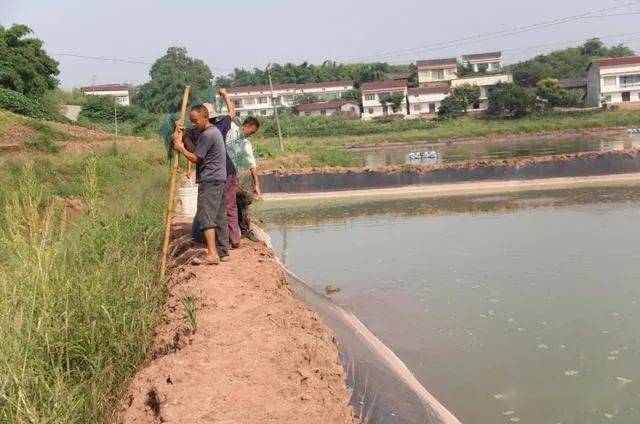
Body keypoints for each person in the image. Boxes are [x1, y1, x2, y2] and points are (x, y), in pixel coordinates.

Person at [173, 104, 229, 265]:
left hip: (210, 180)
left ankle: (212, 255)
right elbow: (198, 151)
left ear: (206, 117)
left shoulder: (208, 134)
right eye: (191, 121)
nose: (193, 124)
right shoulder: (211, 132)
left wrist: (180, 148)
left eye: (195, 121)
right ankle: (222, 251)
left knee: (207, 217)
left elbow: (196, 158)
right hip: (218, 178)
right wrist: (184, 137)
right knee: (218, 215)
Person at [206, 89, 261, 248]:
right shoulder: (229, 128)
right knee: (218, 206)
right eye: (252, 131)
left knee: (232, 204)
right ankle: (223, 238)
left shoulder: (246, 144)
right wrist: (225, 95)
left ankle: (235, 236)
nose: (252, 135)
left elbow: (252, 164)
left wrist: (256, 184)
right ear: (248, 126)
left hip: (229, 174)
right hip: (217, 172)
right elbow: (231, 111)